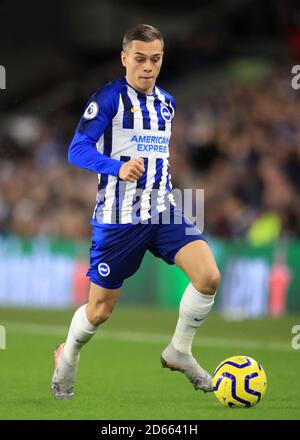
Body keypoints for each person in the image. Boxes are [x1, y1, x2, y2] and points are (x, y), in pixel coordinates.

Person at [51, 23, 221, 400]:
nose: (148, 67)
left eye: (155, 59)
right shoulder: (109, 98)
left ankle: (179, 350)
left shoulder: (167, 103)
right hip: (118, 219)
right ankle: (69, 354)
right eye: (140, 59)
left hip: (162, 210)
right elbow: (76, 150)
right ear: (125, 58)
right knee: (99, 312)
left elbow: (157, 154)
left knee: (208, 276)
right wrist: (117, 167)